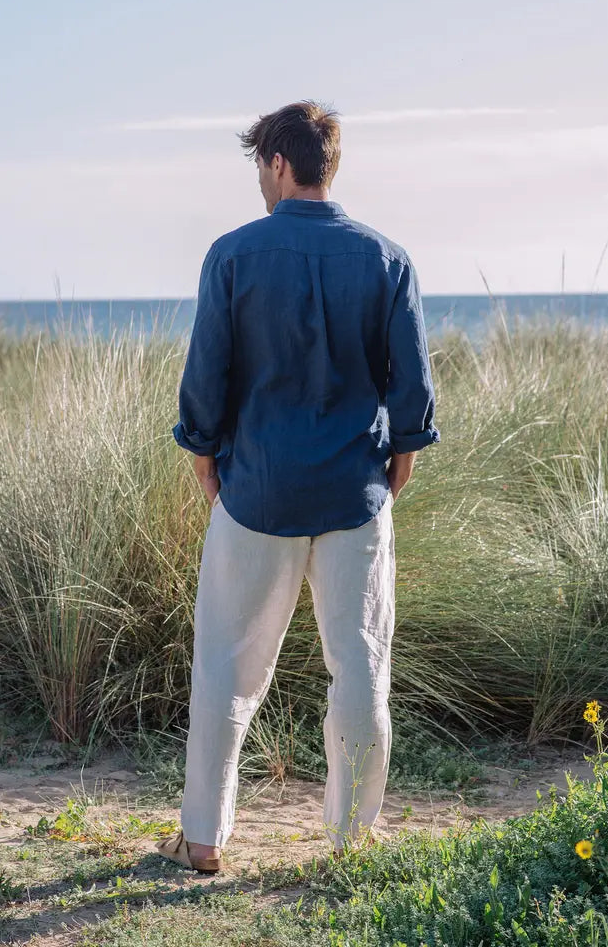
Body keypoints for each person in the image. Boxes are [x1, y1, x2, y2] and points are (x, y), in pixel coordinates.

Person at [156, 100, 440, 874]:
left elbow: (206, 375)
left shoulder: (233, 254)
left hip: (257, 492)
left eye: (260, 165)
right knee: (360, 664)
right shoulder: (387, 258)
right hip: (354, 493)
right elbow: (411, 390)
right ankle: (352, 838)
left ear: (279, 164)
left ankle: (205, 838)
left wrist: (204, 454)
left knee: (225, 665)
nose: (260, 179)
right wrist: (396, 463)